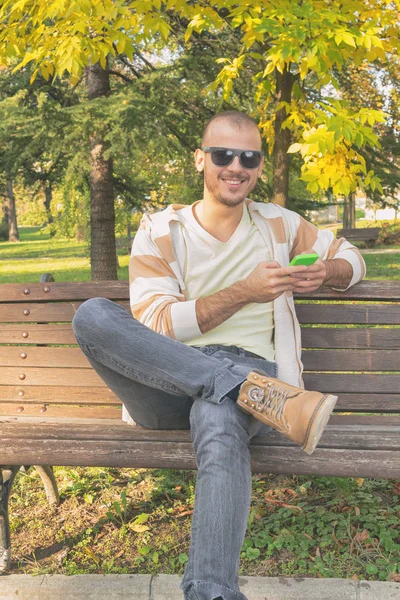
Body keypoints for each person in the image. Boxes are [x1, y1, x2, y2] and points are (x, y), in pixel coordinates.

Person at [72, 111, 366, 600]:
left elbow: (352, 259)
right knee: (93, 315)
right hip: (167, 381)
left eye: (248, 157)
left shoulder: (278, 223)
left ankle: (211, 593)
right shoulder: (161, 231)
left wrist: (327, 270)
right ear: (200, 159)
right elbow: (155, 325)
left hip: (258, 372)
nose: (236, 166)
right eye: (223, 154)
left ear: (257, 165)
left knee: (218, 414)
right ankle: (234, 386)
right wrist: (244, 292)